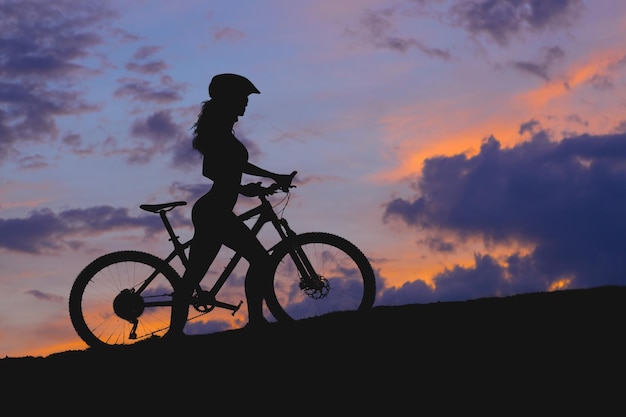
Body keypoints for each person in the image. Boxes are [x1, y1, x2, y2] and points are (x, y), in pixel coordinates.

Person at [169, 73, 295, 335]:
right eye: (244, 98)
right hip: (215, 211)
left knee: (194, 275)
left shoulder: (221, 129)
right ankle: (256, 322)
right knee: (260, 259)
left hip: (215, 210)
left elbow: (225, 168)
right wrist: (255, 182)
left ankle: (174, 334)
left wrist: (253, 182)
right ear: (231, 99)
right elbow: (219, 168)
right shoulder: (217, 131)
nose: (246, 103)